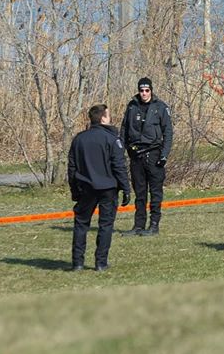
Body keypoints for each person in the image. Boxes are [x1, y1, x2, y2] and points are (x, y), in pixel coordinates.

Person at [67, 104, 131, 271]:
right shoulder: (112, 139)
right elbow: (119, 166)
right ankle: (101, 263)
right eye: (108, 115)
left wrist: (74, 190)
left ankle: (77, 262)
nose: (110, 118)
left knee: (81, 224)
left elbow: (72, 168)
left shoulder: (79, 139)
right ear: (103, 118)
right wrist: (126, 188)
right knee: (105, 225)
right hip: (108, 188)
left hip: (85, 188)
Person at [120, 77, 174, 236]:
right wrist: (121, 150)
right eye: (141, 90)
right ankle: (138, 226)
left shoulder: (160, 107)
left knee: (155, 193)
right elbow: (124, 130)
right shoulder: (131, 107)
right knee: (140, 193)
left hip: (154, 154)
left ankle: (154, 225)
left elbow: (168, 133)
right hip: (136, 155)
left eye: (147, 90)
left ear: (151, 90)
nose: (144, 93)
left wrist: (164, 155)